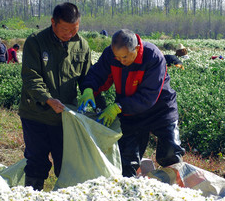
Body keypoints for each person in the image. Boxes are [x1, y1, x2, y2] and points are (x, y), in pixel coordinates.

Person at [78, 29, 185, 178]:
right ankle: (127, 193)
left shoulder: (153, 57)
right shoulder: (111, 54)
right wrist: (89, 88)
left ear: (136, 49)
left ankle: (175, 192)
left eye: (125, 57)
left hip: (159, 110)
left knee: (170, 153)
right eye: (117, 57)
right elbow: (98, 74)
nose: (121, 61)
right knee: (126, 161)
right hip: (129, 112)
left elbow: (148, 97)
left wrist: (118, 106)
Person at [19, 2, 93, 191]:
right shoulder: (36, 42)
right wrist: (47, 99)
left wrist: (89, 92)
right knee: (36, 161)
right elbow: (31, 77)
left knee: (67, 164)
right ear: (53, 22)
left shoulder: (82, 45)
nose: (69, 34)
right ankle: (31, 200)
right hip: (36, 114)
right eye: (65, 30)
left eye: (74, 29)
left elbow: (87, 78)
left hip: (65, 117)